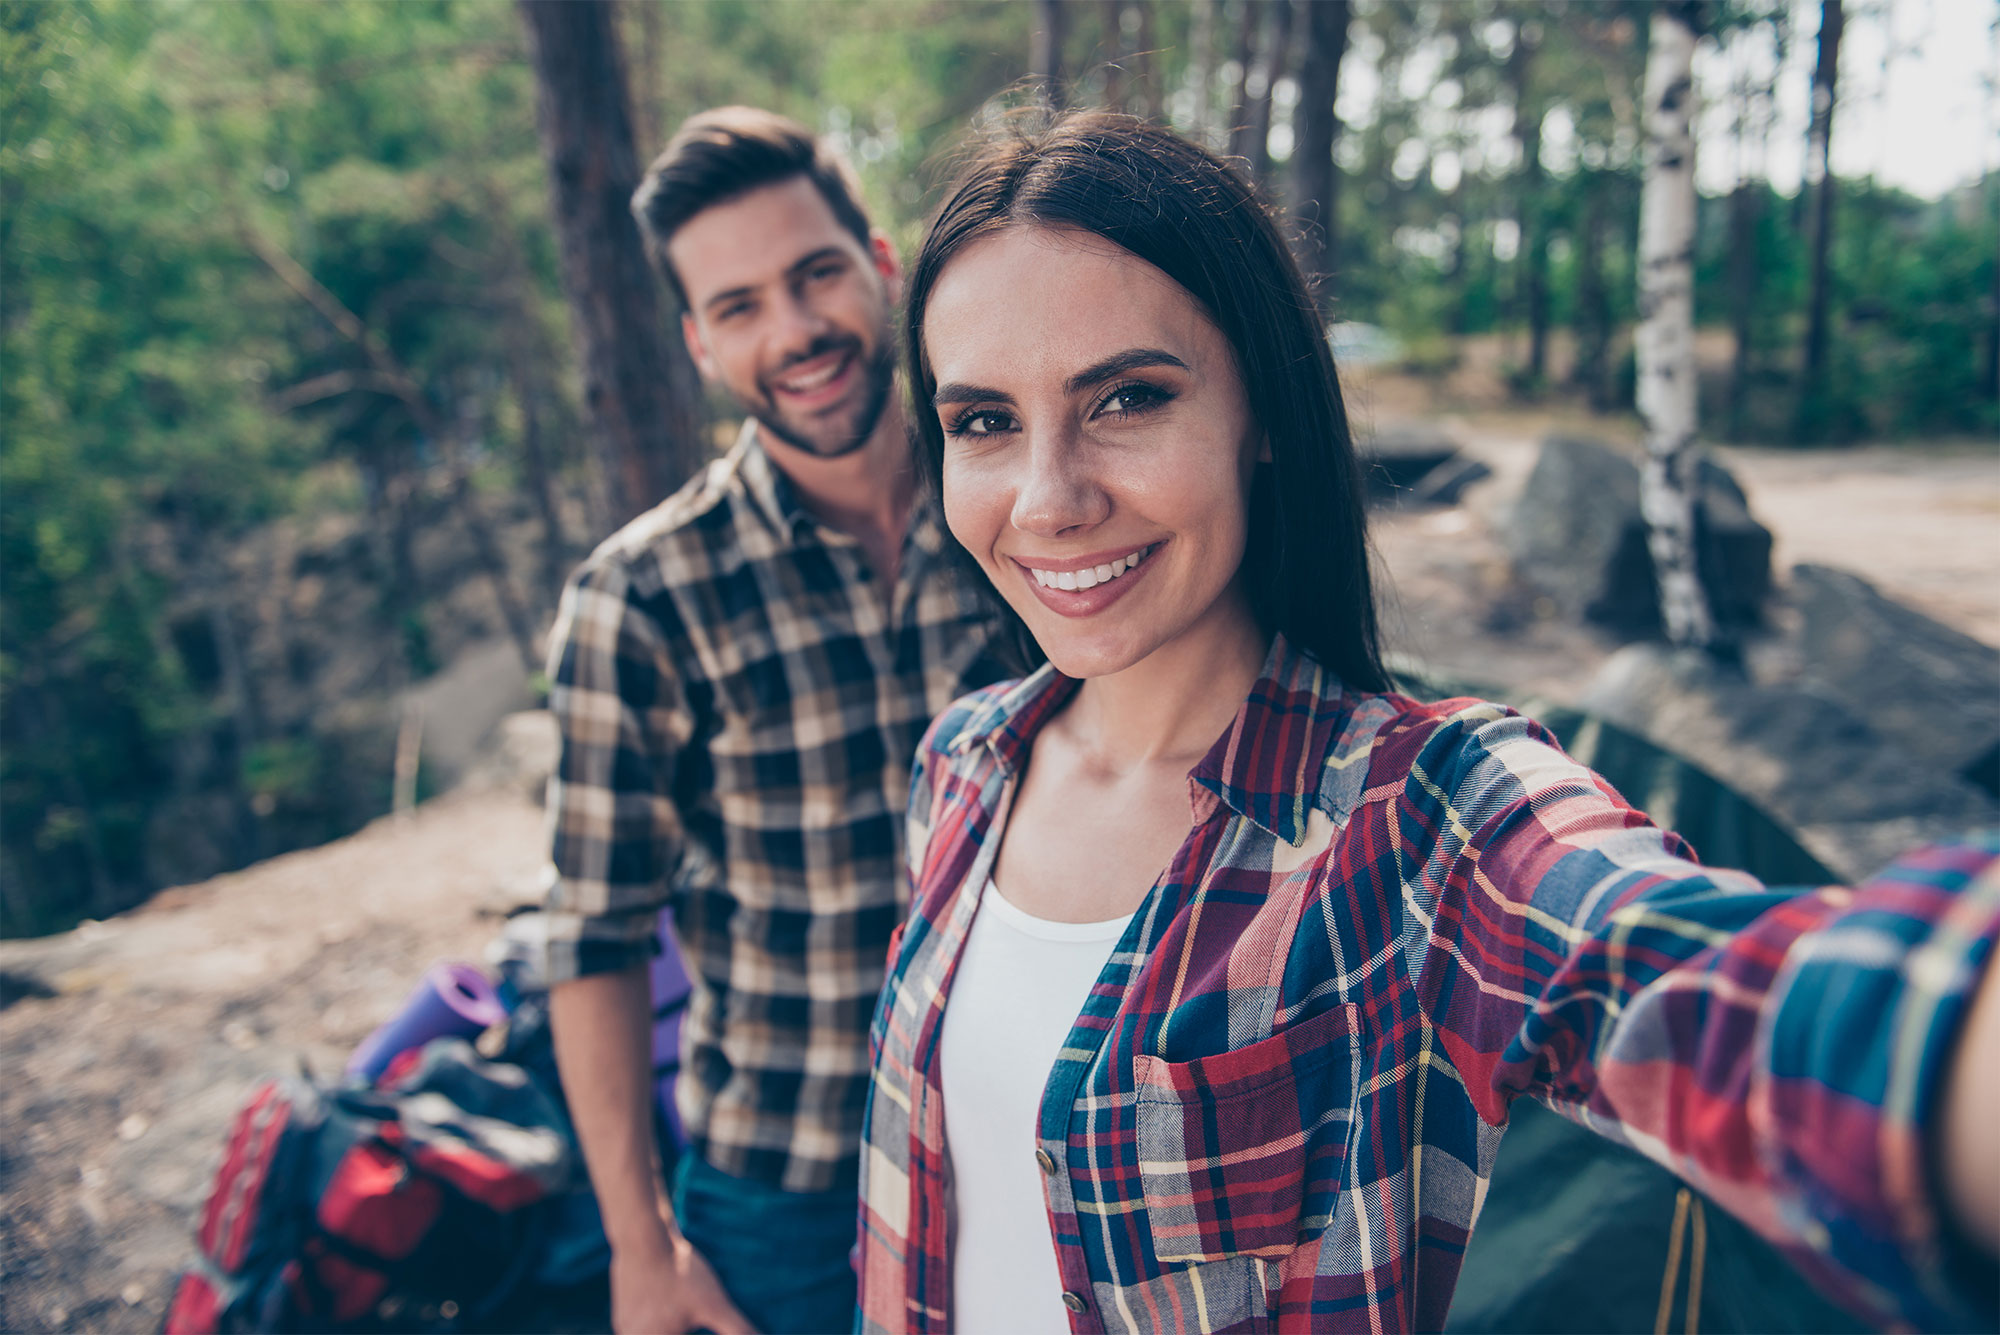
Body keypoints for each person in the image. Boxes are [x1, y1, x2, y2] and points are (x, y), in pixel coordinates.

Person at [856, 110, 2000, 1334]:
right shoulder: (965, 761)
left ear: (1267, 417)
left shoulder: (1421, 814)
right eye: (983, 421)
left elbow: (1703, 987)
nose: (1048, 498)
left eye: (1127, 397)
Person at [539, 106, 1003, 1335]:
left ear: (882, 265)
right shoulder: (635, 599)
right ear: (699, 344)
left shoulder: (1025, 512)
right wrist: (640, 1247)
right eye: (739, 307)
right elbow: (591, 938)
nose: (794, 333)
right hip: (788, 1195)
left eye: (814, 276)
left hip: (1038, 1143)